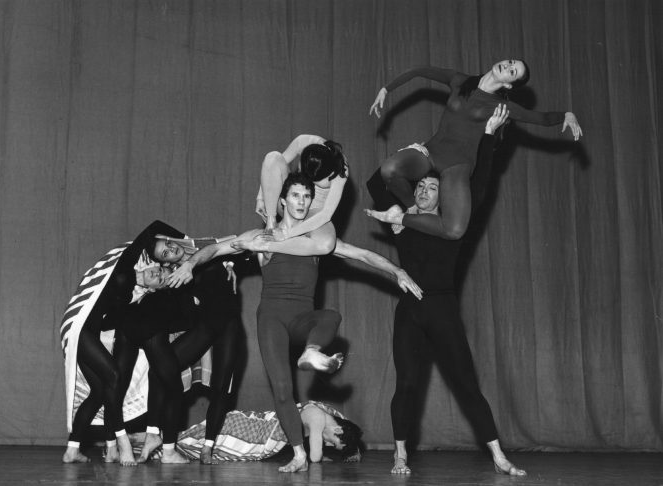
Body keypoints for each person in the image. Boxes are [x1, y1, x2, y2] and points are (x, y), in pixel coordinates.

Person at [167, 172, 422, 473]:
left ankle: (311, 350)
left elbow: (363, 255)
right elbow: (217, 248)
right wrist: (189, 262)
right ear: (284, 201)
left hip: (303, 317)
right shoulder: (262, 237)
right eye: (297, 196)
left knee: (332, 316)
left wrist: (398, 272)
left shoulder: (318, 240)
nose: (302, 201)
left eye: (307, 196)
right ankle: (298, 454)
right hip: (271, 319)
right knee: (283, 389)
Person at [366, 105, 526, 476]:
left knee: (467, 385)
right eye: (420, 185)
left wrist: (487, 136)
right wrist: (416, 152)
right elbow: (378, 183)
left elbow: (481, 184)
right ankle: (400, 455)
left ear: (444, 197)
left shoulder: (455, 226)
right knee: (406, 384)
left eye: (431, 186)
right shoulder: (403, 220)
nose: (422, 190)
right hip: (410, 309)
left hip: (442, 311)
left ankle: (499, 456)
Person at [367, 59, 582, 241]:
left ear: (508, 85)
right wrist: (387, 88)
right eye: (509, 62)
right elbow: (419, 70)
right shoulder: (460, 81)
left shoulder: (501, 107)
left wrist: (566, 115)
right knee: (389, 170)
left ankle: (399, 219)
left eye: (512, 71)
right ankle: (411, 208)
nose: (507, 67)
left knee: (455, 230)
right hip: (431, 152)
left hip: (457, 165)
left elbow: (541, 118)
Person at [60, 221, 186, 466]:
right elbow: (153, 228)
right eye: (159, 269)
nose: (157, 274)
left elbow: (109, 322)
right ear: (151, 261)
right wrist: (187, 243)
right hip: (78, 326)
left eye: (159, 279)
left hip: (87, 331)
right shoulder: (127, 265)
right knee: (115, 377)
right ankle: (122, 442)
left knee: (100, 391)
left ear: (153, 289)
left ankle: (72, 449)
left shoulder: (129, 299)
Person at [113, 229, 242, 465]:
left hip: (230, 324)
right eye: (165, 253)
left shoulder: (203, 248)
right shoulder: (171, 278)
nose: (171, 248)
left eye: (168, 243)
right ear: (164, 262)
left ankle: (208, 447)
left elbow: (238, 245)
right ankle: (154, 432)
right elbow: (173, 309)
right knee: (160, 370)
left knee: (222, 387)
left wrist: (230, 264)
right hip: (208, 326)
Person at [176, 401, 362, 463]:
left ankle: (159, 441)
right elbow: (314, 456)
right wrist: (327, 452)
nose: (328, 444)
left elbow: (348, 426)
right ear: (337, 429)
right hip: (250, 430)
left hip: (247, 425)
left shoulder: (330, 414)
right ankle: (159, 440)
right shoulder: (318, 417)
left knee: (188, 442)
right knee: (185, 442)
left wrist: (352, 448)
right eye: (332, 442)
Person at [256, 134, 348, 251]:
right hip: (289, 205)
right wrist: (260, 198)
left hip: (312, 215)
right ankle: (271, 222)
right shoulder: (304, 141)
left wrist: (288, 234)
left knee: (327, 245)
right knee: (272, 156)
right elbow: (270, 167)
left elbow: (325, 215)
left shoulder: (340, 170)